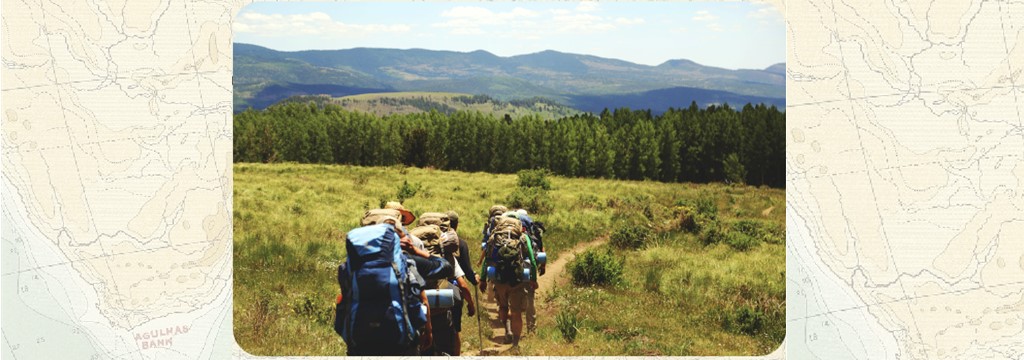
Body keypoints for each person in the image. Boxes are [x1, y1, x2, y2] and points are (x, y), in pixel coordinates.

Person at [336, 209, 453, 356]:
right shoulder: (408, 263)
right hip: (400, 344)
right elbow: (445, 268)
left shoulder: (350, 268)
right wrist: (416, 251)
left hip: (360, 343)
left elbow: (342, 302)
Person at [479, 213, 539, 349]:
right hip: (517, 280)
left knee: (503, 307)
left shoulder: (495, 237)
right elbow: (532, 260)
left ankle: (507, 331)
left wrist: (483, 279)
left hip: (499, 280)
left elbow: (487, 261)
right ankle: (516, 344)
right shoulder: (523, 237)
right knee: (516, 312)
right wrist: (533, 279)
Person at [446, 210, 478, 355]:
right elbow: (466, 269)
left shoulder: (433, 243)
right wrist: (475, 281)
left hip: (428, 293)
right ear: (456, 224)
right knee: (454, 331)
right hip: (454, 292)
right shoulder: (460, 243)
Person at [513, 209, 544, 333]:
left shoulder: (508, 238)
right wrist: (534, 279)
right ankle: (531, 329)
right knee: (530, 299)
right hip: (526, 271)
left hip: (513, 274)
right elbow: (532, 257)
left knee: (514, 304)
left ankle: (512, 331)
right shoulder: (526, 237)